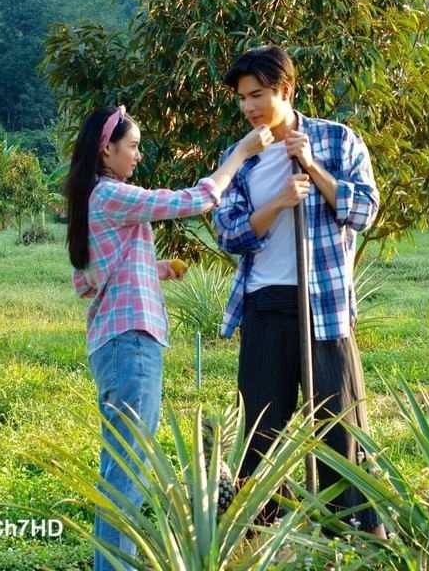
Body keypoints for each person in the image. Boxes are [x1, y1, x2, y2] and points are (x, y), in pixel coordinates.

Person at [65, 105, 271, 571]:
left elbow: (91, 279)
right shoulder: (112, 193)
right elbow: (192, 201)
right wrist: (240, 153)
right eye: (133, 146)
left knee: (119, 465)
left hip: (112, 342)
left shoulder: (92, 198)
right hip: (132, 341)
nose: (138, 155)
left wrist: (153, 268)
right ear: (107, 149)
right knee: (129, 470)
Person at [212, 44, 384, 535]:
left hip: (324, 303)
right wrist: (275, 205)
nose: (248, 107)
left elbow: (365, 211)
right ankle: (257, 535)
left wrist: (310, 167)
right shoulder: (241, 156)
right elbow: (228, 233)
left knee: (341, 426)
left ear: (285, 90)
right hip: (266, 301)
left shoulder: (337, 140)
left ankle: (355, 536)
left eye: (257, 95)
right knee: (258, 429)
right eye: (242, 98)